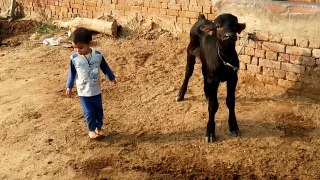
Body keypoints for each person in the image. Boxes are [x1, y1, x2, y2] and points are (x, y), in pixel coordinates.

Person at [66, 27, 116, 139]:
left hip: (96, 89)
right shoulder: (74, 58)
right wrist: (69, 86)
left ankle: (99, 128)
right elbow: (71, 72)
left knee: (99, 111)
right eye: (75, 47)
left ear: (89, 44)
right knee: (89, 112)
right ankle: (91, 130)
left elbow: (105, 67)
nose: (77, 50)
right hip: (83, 91)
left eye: (81, 47)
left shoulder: (98, 55)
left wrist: (111, 78)